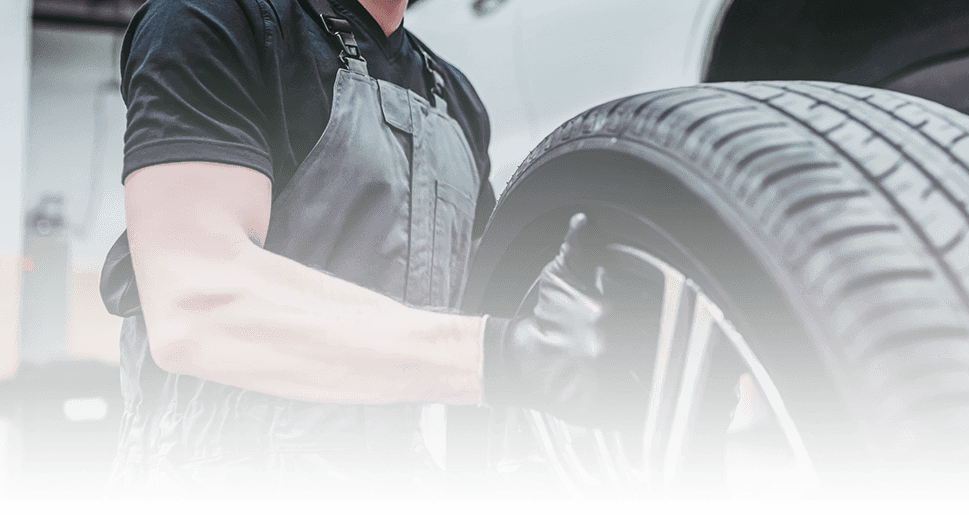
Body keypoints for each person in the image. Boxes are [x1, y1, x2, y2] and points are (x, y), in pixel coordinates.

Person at [98, 0, 646, 499]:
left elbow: (492, 310)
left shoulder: (452, 97)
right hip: (208, 486)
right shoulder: (212, 18)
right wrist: (498, 356)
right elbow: (198, 306)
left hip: (397, 484)